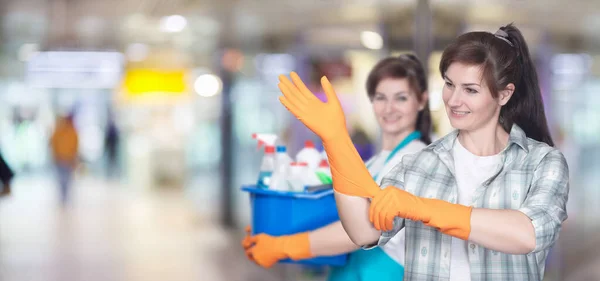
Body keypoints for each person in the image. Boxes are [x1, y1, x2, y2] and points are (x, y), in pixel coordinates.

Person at [275, 23, 569, 281]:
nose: (454, 100)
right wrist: (335, 139)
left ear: (504, 94)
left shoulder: (542, 163)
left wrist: (423, 208)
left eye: (470, 90)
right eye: (450, 85)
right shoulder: (419, 164)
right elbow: (365, 231)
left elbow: (529, 233)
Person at [243, 54, 432, 280]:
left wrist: (284, 244)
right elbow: (346, 217)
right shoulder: (375, 161)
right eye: (381, 97)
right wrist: (273, 229)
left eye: (401, 98)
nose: (389, 108)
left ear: (421, 101)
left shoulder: (417, 159)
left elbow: (367, 230)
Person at [50, 115, 79, 205]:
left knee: (67, 178)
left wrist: (74, 157)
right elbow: (53, 144)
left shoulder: (72, 132)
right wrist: (55, 155)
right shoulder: (58, 131)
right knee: (61, 178)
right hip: (60, 158)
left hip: (68, 159)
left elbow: (75, 146)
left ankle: (65, 195)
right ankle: (63, 195)